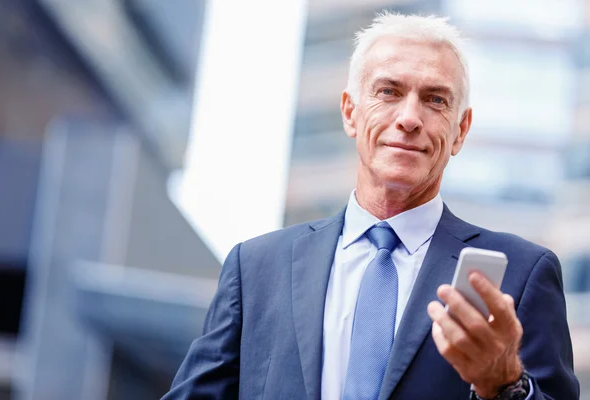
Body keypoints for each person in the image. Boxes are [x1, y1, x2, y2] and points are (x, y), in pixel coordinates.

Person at [162, 11, 579, 400]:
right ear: (350, 112)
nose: (409, 118)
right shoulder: (256, 269)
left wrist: (506, 383)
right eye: (388, 91)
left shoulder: (522, 274)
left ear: (460, 130)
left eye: (435, 100)